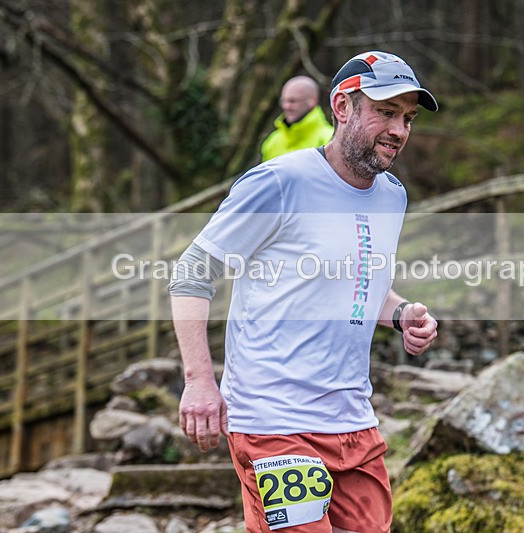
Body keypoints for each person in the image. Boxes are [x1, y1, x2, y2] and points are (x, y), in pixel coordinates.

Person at [168, 51, 439, 533]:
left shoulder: (392, 196)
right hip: (274, 423)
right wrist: (199, 379)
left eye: (408, 118)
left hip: (353, 421)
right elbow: (193, 272)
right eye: (385, 111)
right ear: (342, 106)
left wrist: (403, 316)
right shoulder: (279, 182)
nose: (399, 130)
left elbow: (362, 283)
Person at [261, 75, 334, 161]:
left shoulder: (330, 139)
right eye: (283, 101)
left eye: (292, 101)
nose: (286, 106)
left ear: (312, 101)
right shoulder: (272, 141)